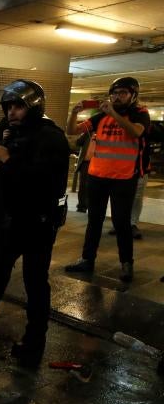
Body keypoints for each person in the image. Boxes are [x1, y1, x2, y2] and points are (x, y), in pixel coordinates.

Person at [0, 80, 69, 369]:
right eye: (8, 107)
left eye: (18, 106)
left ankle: (34, 344)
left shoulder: (51, 137)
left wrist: (7, 161)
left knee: (35, 284)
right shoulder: (9, 133)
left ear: (32, 106)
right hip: (8, 222)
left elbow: (43, 184)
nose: (11, 112)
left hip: (38, 224)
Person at [65, 77, 149, 283]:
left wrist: (113, 113)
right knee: (94, 221)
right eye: (115, 93)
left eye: (123, 93)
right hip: (97, 176)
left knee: (121, 223)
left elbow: (136, 132)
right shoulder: (100, 116)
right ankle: (87, 259)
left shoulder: (140, 113)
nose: (117, 97)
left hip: (124, 178)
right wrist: (74, 112)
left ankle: (126, 264)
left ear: (133, 95)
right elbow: (72, 131)